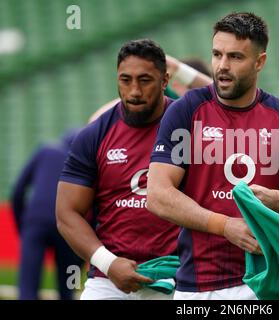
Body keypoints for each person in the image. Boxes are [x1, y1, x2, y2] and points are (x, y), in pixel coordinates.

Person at [146, 12, 279, 300]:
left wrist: (275, 199)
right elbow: (157, 195)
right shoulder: (186, 110)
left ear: (260, 61)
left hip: (262, 282)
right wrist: (225, 226)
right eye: (217, 55)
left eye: (236, 57)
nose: (222, 66)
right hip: (196, 284)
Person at [56, 39, 184, 300]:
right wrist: (108, 263)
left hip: (176, 278)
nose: (134, 91)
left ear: (164, 80)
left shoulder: (190, 127)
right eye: (126, 80)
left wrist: (187, 72)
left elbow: (235, 108)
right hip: (108, 279)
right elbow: (67, 212)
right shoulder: (94, 135)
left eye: (145, 80)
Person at [11, 129, 83, 300]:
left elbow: (18, 190)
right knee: (69, 285)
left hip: (36, 223)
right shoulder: (84, 160)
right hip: (69, 225)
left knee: (27, 285)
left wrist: (23, 227)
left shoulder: (46, 150)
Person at [87, 54, 212, 123]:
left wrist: (179, 69)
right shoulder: (167, 97)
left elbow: (218, 93)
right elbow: (96, 118)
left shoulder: (206, 106)